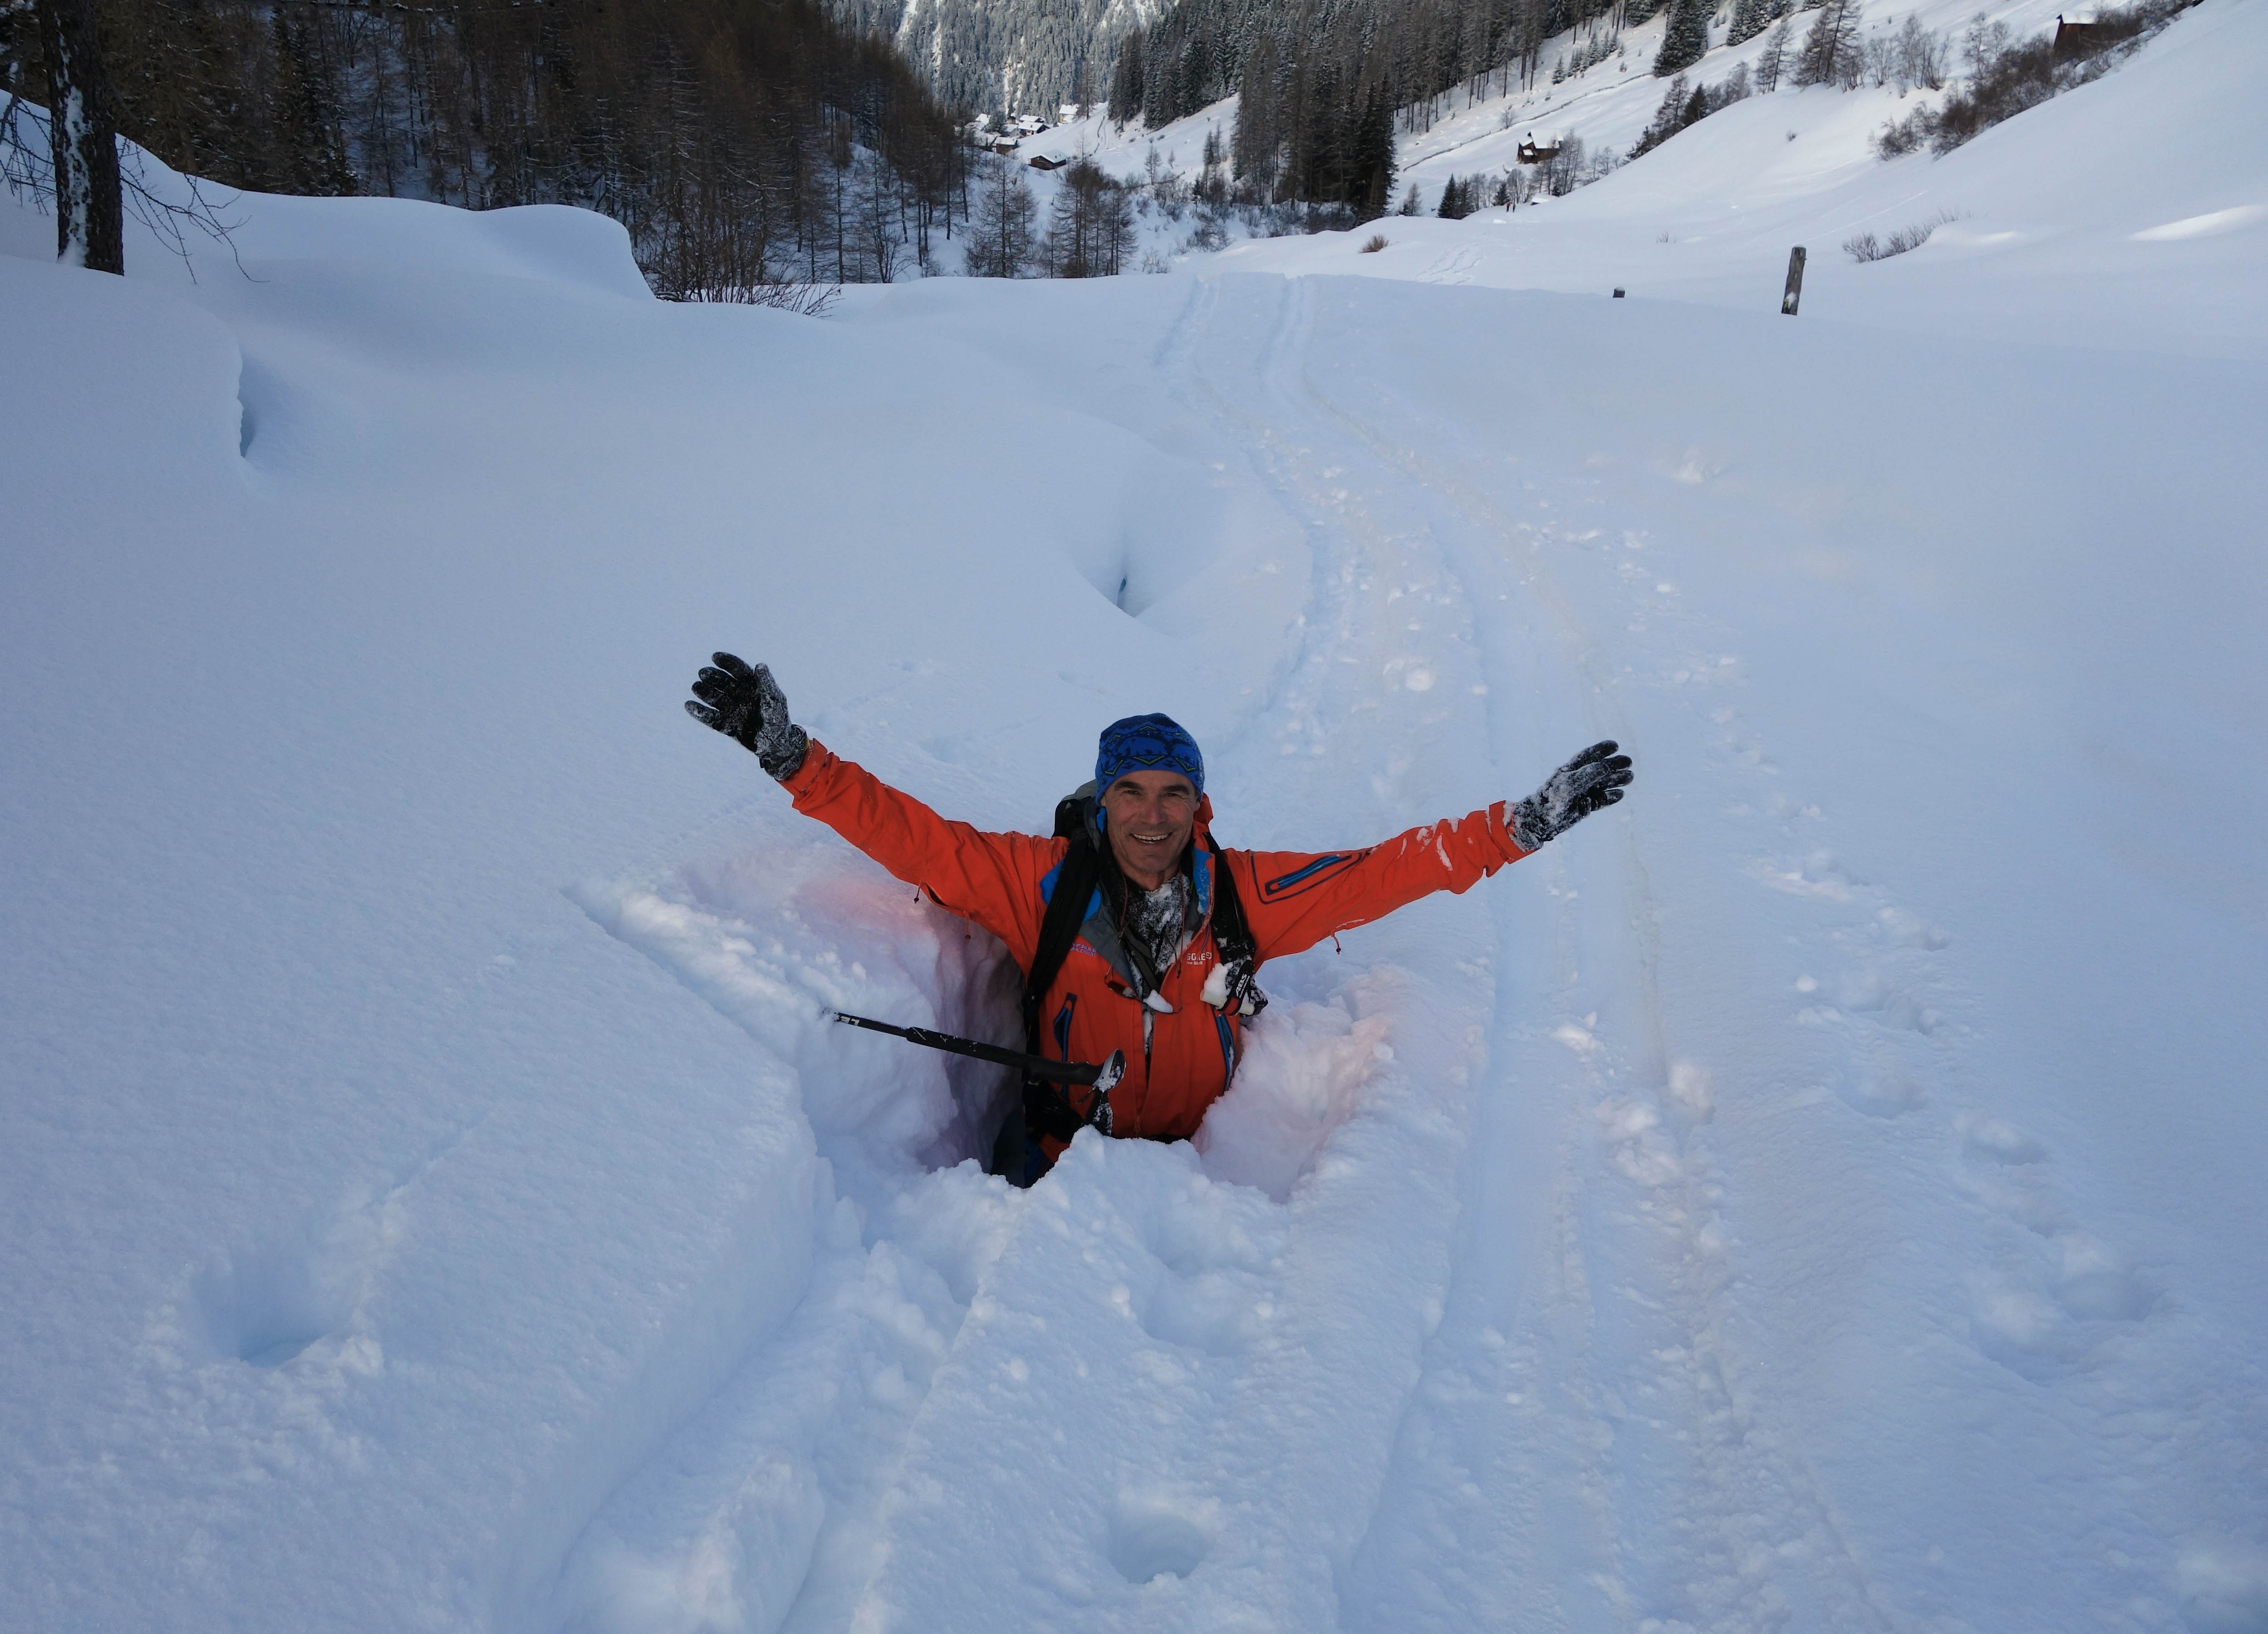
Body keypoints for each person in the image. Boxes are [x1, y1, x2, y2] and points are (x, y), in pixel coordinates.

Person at [686, 653, 1634, 1183]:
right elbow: (914, 839)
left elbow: (1379, 874)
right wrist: (794, 758)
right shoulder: (1038, 886)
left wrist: (1512, 830)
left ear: (1199, 806)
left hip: (1200, 1168)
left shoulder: (1243, 895)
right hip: (1057, 1162)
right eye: (1132, 792)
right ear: (1103, 804)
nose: (1152, 815)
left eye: (1173, 793)